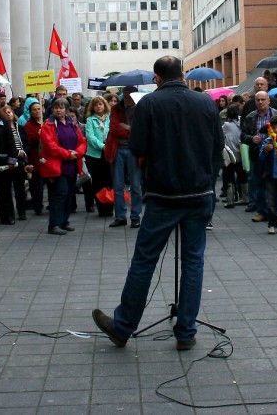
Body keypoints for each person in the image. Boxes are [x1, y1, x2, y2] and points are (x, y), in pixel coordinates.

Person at [92, 56, 222, 351]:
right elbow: (216, 149)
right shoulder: (206, 103)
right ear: (183, 75)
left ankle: (123, 326)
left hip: (164, 195)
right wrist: (208, 183)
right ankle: (186, 331)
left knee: (145, 259)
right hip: (199, 194)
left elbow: (137, 146)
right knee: (193, 261)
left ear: (157, 78)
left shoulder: (149, 104)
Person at [39, 98, 86, 235]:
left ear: (66, 109)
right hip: (57, 166)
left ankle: (64, 221)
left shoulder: (73, 124)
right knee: (60, 194)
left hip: (72, 164)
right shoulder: (48, 126)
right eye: (56, 107)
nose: (58, 109)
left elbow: (82, 141)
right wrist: (67, 154)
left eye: (61, 107)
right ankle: (54, 224)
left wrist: (77, 153)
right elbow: (51, 147)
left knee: (69, 194)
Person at [104, 87, 142, 228]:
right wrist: (131, 129)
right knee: (118, 186)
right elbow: (114, 129)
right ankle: (120, 216)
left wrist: (128, 128)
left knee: (136, 186)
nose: (126, 99)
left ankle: (135, 216)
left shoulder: (140, 109)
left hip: (134, 151)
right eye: (124, 96)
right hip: (117, 149)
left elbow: (142, 131)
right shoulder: (116, 109)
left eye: (129, 96)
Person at [240, 91, 276, 222]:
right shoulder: (250, 117)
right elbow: (243, 136)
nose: (260, 102)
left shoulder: (276, 115)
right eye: (258, 100)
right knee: (259, 184)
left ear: (268, 101)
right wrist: (251, 139)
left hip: (273, 154)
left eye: (263, 100)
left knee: (274, 184)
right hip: (257, 154)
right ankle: (262, 212)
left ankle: (276, 211)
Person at [83, 96, 112, 217]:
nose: (98, 106)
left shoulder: (110, 118)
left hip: (109, 153)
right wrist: (102, 146)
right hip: (95, 155)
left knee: (109, 181)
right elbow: (90, 137)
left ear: (105, 105)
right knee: (98, 182)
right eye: (96, 105)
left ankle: (110, 206)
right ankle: (101, 207)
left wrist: (109, 145)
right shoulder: (90, 120)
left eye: (100, 104)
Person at [220, 104, 247, 208]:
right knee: (242, 175)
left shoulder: (226, 125)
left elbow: (221, 135)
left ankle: (230, 200)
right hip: (241, 153)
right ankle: (245, 197)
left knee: (228, 176)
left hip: (230, 155)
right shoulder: (242, 122)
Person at [22, 98, 45, 216]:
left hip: (45, 159)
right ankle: (37, 206)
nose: (37, 111)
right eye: (34, 110)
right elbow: (28, 141)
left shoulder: (45, 122)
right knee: (36, 186)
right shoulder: (28, 125)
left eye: (38, 109)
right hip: (34, 159)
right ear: (30, 112)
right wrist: (38, 135)